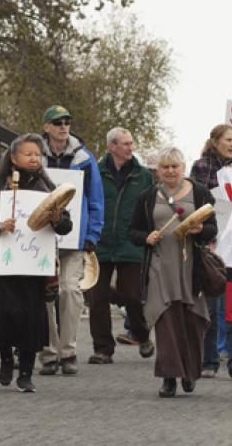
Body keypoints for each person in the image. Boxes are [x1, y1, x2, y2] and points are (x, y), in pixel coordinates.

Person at [0, 134, 72, 392]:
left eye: (37, 154)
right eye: (28, 154)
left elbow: (66, 226)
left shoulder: (48, 189)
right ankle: (6, 360)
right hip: (5, 265)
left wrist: (57, 219)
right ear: (13, 158)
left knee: (31, 318)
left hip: (35, 265)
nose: (34, 158)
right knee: (4, 315)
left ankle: (26, 373)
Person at [129, 147, 217, 397]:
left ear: (183, 167)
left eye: (174, 166)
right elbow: (133, 231)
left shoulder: (200, 193)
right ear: (158, 169)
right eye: (165, 167)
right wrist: (146, 237)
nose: (169, 171)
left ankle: (190, 372)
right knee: (166, 322)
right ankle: (168, 376)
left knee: (192, 322)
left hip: (191, 268)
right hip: (160, 267)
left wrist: (200, 230)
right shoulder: (147, 196)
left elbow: (213, 228)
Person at [37, 105, 104, 376]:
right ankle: (48, 352)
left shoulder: (84, 158)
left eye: (66, 121)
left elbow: (96, 200)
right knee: (44, 296)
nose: (63, 126)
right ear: (47, 127)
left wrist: (92, 235)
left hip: (75, 237)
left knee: (70, 290)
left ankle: (69, 351)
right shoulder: (34, 155)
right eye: (57, 122)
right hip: (41, 237)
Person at [87, 127, 154, 364]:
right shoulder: (94, 171)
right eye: (125, 144)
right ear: (112, 146)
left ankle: (142, 334)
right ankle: (103, 349)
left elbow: (150, 209)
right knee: (97, 298)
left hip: (130, 243)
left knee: (132, 295)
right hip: (100, 243)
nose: (130, 147)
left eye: (131, 143)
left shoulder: (143, 175)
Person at [190, 124, 232, 379]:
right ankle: (210, 360)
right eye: (228, 139)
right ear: (215, 141)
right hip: (212, 241)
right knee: (213, 303)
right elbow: (197, 197)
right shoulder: (202, 166)